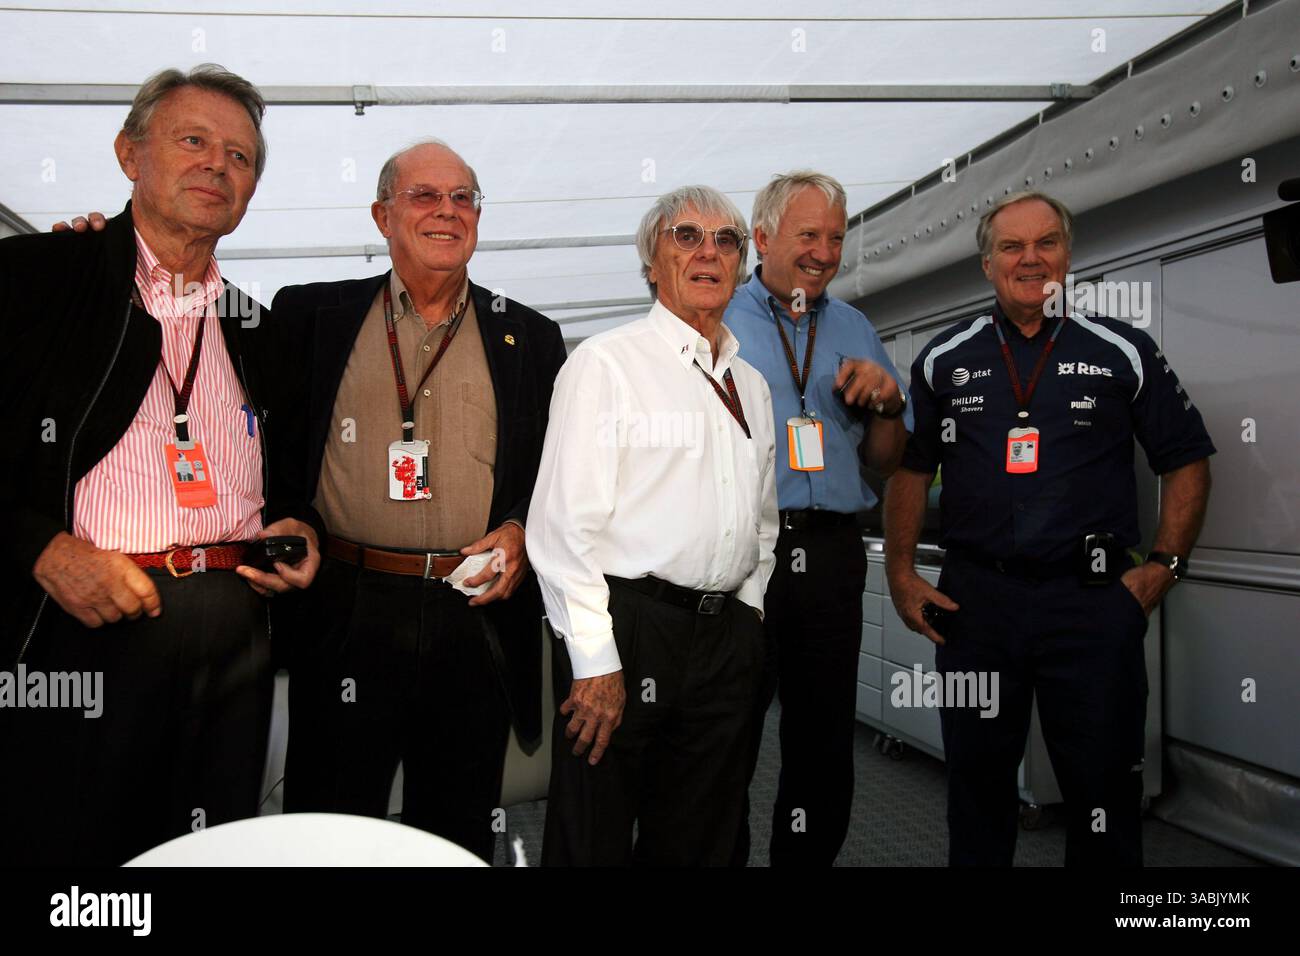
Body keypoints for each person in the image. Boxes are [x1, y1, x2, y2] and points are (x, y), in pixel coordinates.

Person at [0, 64, 321, 866]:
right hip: (87, 626)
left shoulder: (256, 323)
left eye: (241, 156)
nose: (218, 164)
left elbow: (287, 476)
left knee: (208, 853)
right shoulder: (35, 278)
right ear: (127, 153)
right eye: (193, 140)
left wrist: (300, 527)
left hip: (236, 640)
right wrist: (42, 548)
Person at [884, 190, 1214, 866]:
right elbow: (910, 473)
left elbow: (1187, 461)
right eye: (1012, 247)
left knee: (1103, 796)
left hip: (1093, 604)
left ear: (1068, 253)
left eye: (1046, 244)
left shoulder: (1123, 349)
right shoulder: (945, 358)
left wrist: (1164, 566)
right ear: (987, 264)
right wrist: (899, 573)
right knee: (976, 789)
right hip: (976, 606)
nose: (1030, 259)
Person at [269, 139, 567, 862]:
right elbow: (262, 439)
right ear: (382, 215)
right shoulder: (310, 316)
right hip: (347, 605)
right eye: (425, 196)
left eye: (463, 198)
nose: (446, 211)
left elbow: (558, 475)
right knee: (331, 827)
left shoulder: (530, 336)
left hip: (475, 615)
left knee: (459, 828)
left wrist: (523, 530)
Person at [527, 185, 779, 865]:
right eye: (686, 236)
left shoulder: (750, 384)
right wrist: (595, 660)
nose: (709, 252)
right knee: (595, 837)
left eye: (727, 241)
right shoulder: (606, 365)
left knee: (703, 835)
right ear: (651, 261)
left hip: (724, 636)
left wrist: (748, 612)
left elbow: (762, 519)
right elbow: (559, 529)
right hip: (630, 629)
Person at [724, 170, 913, 866]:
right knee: (730, 733)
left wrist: (889, 405)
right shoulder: (719, 319)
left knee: (824, 740)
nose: (825, 252)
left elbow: (886, 463)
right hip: (745, 553)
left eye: (835, 237)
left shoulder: (855, 325)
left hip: (831, 554)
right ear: (763, 237)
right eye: (809, 235)